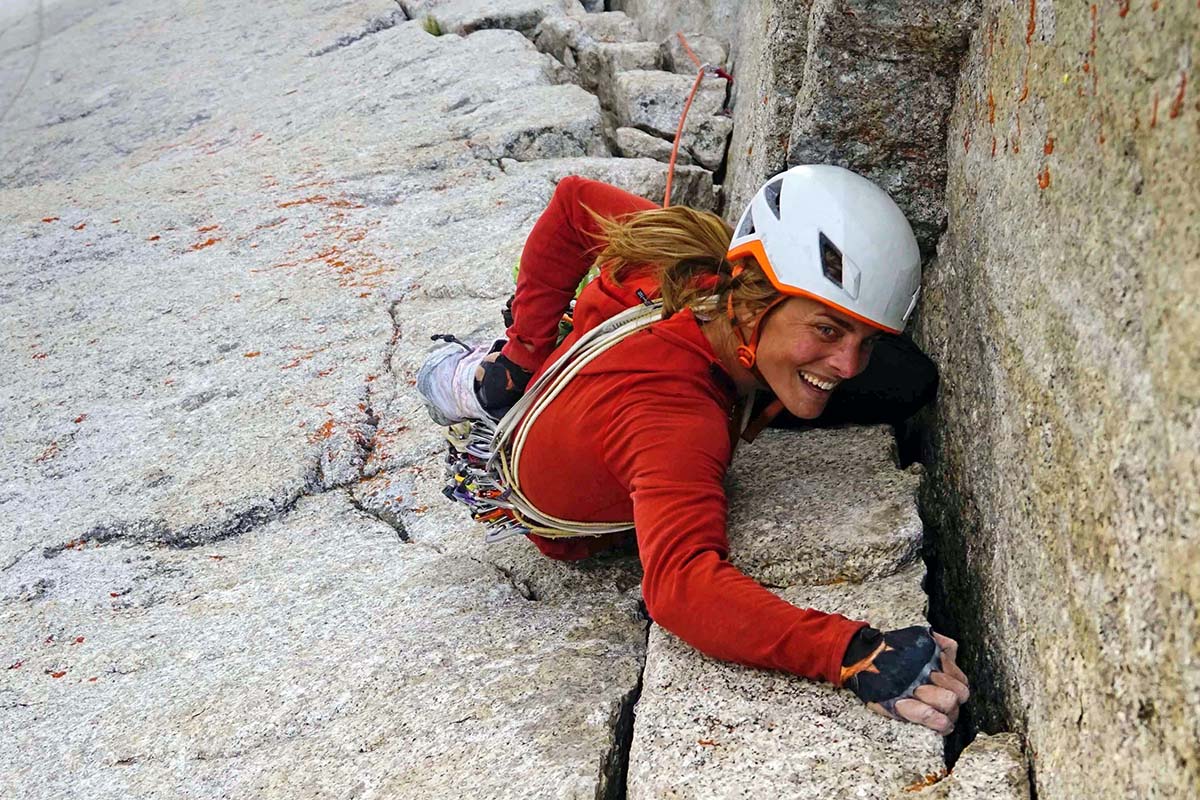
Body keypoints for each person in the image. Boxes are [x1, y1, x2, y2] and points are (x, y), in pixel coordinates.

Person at [418, 165, 969, 735]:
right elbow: (681, 587)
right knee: (485, 387)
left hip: (634, 352)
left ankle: (520, 359)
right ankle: (477, 379)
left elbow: (575, 202)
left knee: (907, 381)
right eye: (829, 331)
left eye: (865, 340)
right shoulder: (673, 420)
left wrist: (531, 344)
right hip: (584, 437)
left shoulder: (689, 264)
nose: (850, 365)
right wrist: (852, 652)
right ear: (757, 302)